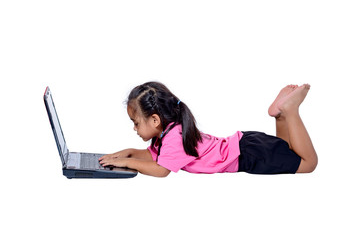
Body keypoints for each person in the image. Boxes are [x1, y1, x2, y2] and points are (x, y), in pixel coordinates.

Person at [99, 82, 318, 177]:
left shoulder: (174, 138)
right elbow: (152, 156)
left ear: (155, 120)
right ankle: (279, 114)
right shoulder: (168, 132)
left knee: (308, 164)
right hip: (246, 144)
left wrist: (127, 163)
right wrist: (124, 154)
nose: (135, 128)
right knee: (287, 149)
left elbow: (161, 170)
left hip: (249, 156)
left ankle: (291, 111)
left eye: (136, 122)